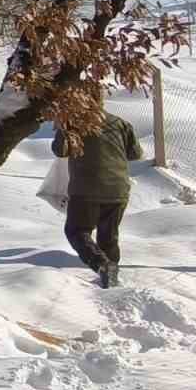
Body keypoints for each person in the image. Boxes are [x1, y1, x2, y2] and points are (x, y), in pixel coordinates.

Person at [52, 102, 143, 288]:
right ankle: (111, 278)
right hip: (118, 189)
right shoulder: (121, 124)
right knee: (108, 236)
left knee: (77, 231)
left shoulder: (73, 125)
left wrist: (64, 126)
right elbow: (135, 154)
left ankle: (102, 266)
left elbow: (59, 151)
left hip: (86, 189)